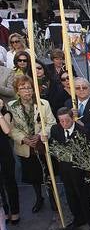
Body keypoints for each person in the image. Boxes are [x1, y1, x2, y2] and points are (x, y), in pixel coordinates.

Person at [9, 75, 55, 213]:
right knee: (33, 176)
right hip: (25, 147)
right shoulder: (12, 106)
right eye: (23, 88)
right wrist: (23, 138)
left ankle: (53, 198)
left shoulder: (43, 104)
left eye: (29, 88)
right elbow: (11, 128)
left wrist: (40, 136)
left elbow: (51, 123)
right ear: (17, 91)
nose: (27, 91)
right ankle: (38, 198)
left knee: (48, 173)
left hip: (41, 145)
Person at [49, 107, 90, 230]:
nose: (64, 123)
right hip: (65, 171)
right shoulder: (55, 130)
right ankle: (79, 218)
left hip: (81, 171)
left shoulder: (83, 131)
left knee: (86, 198)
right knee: (71, 196)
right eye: (61, 121)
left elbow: (88, 153)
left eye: (67, 120)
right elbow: (53, 146)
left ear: (72, 118)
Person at [0, 97, 19, 226]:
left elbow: (6, 130)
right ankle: (5, 211)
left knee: (9, 182)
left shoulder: (6, 114)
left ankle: (15, 211)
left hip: (4, 152)